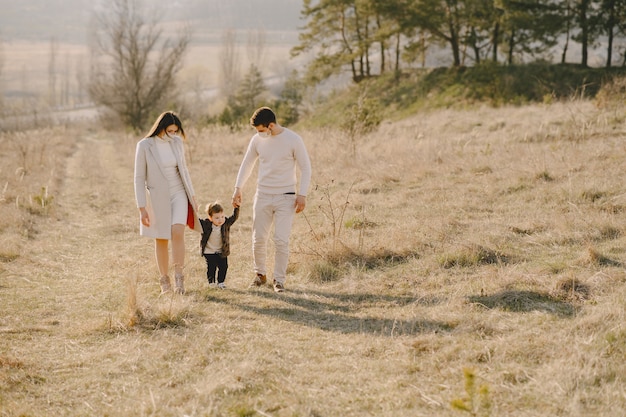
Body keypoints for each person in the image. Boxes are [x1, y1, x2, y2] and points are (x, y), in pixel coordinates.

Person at [232, 106, 312, 293]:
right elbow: (247, 164)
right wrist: (238, 188)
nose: (259, 134)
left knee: (281, 240)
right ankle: (260, 275)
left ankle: (279, 280)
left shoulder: (293, 140)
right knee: (258, 238)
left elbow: (306, 168)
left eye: (261, 130)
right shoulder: (257, 140)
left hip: (286, 197)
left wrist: (302, 194)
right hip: (263, 195)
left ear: (271, 125)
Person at [134, 111, 202, 295]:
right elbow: (139, 178)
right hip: (157, 198)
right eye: (169, 131)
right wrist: (142, 208)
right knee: (162, 237)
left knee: (177, 231)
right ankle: (164, 281)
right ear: (160, 128)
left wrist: (193, 198)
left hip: (179, 192)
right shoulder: (145, 145)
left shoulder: (177, 142)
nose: (172, 134)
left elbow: (184, 170)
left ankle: (179, 278)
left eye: (175, 131)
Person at [199, 202, 240, 289]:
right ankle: (211, 283)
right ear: (210, 218)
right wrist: (194, 211)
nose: (220, 220)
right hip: (209, 251)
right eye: (217, 218)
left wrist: (236, 208)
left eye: (222, 216)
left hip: (222, 251)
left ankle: (221, 282)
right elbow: (197, 221)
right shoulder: (206, 224)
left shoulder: (225, 224)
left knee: (224, 266)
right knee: (211, 267)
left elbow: (234, 218)